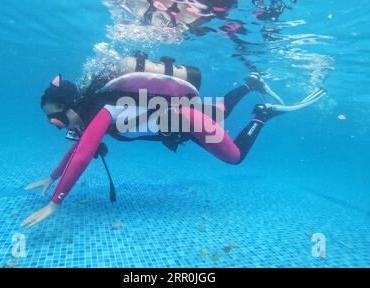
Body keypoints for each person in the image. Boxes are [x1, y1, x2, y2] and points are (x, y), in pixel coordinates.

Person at [22, 55, 326, 227]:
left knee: (234, 157)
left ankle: (261, 115)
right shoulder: (93, 113)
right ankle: (249, 84)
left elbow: (84, 154)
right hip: (181, 119)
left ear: (70, 105)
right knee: (218, 111)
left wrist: (54, 204)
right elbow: (78, 147)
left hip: (186, 121)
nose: (57, 124)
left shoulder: (101, 110)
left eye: (56, 116)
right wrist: (51, 177)